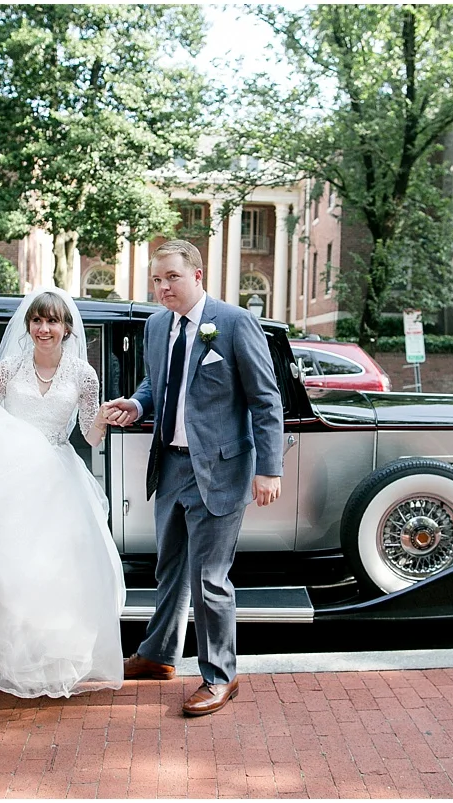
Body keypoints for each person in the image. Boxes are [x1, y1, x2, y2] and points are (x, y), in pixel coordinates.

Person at [0, 287, 126, 698]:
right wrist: (15, 443)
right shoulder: (7, 370)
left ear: (67, 328)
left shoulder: (84, 374)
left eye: (53, 321)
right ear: (28, 325)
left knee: (57, 573)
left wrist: (102, 416)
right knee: (9, 572)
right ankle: (15, 659)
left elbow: (89, 435)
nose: (44, 328)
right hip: (12, 480)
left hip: (59, 482)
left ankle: (52, 662)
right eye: (37, 320)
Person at [104, 239, 284, 716]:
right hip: (171, 465)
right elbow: (156, 383)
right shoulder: (156, 324)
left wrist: (268, 469)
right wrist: (137, 404)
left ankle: (221, 676)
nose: (162, 288)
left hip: (220, 470)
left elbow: (266, 400)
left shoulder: (233, 322)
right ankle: (159, 656)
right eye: (157, 280)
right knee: (169, 569)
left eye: (172, 278)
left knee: (209, 579)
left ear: (198, 276)